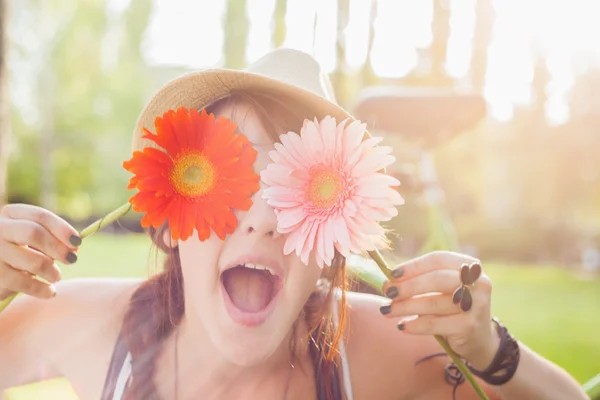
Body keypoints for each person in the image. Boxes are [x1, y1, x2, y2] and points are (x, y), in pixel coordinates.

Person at [0, 48, 588, 400]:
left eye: (297, 196)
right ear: (172, 220)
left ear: (334, 244)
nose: (261, 219)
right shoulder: (85, 326)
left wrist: (488, 350)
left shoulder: (378, 349)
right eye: (227, 184)